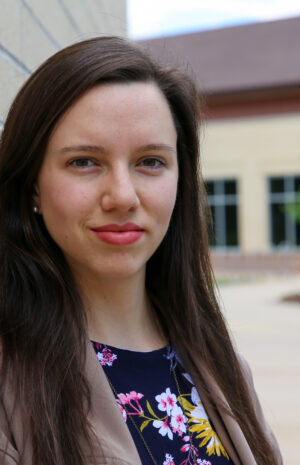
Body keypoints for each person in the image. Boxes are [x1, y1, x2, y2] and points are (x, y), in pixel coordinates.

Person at [0, 37, 282, 465]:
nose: (123, 196)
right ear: (32, 185)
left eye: (150, 161)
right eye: (84, 162)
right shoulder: (9, 380)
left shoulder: (224, 367)